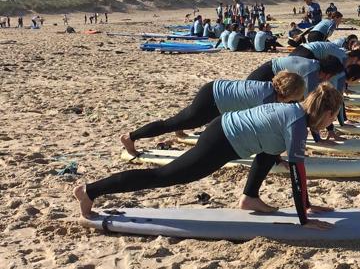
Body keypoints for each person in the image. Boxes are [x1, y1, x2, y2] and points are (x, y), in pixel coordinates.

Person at [74, 83, 341, 230]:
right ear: (326, 113)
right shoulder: (296, 126)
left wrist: (306, 202)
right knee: (165, 176)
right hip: (220, 141)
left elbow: (272, 149)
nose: (331, 123)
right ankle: (91, 191)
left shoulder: (294, 111)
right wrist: (304, 216)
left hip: (223, 129)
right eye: (332, 118)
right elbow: (298, 173)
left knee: (270, 153)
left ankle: (250, 198)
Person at [120, 72, 305, 156]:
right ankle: (131, 137)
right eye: (292, 98)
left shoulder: (268, 88)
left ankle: (181, 127)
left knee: (184, 120)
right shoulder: (267, 99)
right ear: (287, 93)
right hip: (213, 99)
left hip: (214, 91)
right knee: (172, 123)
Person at [247, 55, 344, 98]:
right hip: (265, 75)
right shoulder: (311, 72)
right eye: (330, 77)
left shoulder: (316, 65)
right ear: (327, 74)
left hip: (271, 72)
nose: (327, 80)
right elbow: (310, 104)